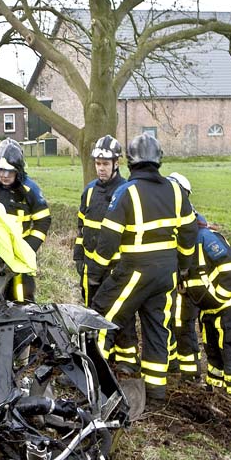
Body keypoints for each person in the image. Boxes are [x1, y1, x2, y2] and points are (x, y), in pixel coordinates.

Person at [90, 133, 197, 404]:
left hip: (135, 269)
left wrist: (96, 273)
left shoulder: (126, 191)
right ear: (159, 160)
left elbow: (108, 238)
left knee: (102, 316)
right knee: (158, 330)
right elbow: (188, 233)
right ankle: (156, 395)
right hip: (167, 273)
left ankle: (90, 379)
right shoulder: (175, 190)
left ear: (129, 162)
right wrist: (183, 267)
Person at [73, 135, 139, 372]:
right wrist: (79, 256)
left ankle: (127, 361)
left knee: (121, 314)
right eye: (98, 163)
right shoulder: (89, 191)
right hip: (91, 264)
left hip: (117, 266)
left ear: (116, 163)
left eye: (105, 163)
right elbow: (82, 227)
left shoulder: (126, 191)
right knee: (92, 313)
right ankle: (98, 359)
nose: (101, 168)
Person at [183, 213, 231, 400]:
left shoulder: (205, 238)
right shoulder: (184, 243)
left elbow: (230, 269)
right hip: (209, 309)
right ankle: (215, 395)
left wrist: (218, 298)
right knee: (213, 354)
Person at [0, 138, 51, 302]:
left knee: (22, 298)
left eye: (10, 171)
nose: (4, 175)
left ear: (19, 170)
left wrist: (28, 247)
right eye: (1, 170)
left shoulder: (30, 190)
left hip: (19, 254)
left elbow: (43, 221)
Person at [166, 173, 202, 382]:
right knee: (171, 322)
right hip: (176, 279)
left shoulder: (189, 218)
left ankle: (190, 374)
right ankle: (174, 364)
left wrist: (183, 276)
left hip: (186, 283)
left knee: (182, 323)